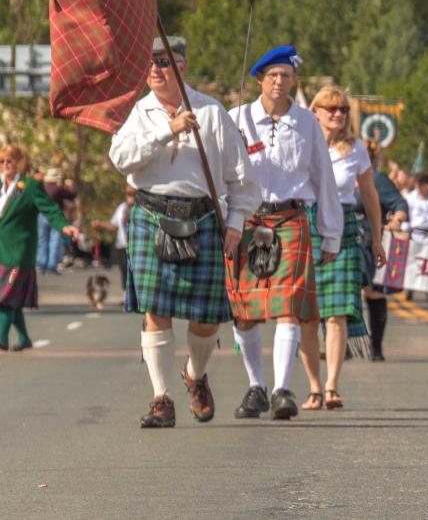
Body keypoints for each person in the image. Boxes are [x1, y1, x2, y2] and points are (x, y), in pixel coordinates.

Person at [109, 36, 259, 428]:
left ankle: (195, 375)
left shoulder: (211, 112)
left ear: (182, 66)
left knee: (206, 319)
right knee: (155, 312)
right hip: (151, 214)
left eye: (164, 62)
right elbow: (120, 158)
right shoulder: (137, 113)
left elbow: (242, 179)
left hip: (203, 218)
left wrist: (236, 222)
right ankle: (161, 399)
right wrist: (167, 131)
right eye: (150, 63)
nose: (156, 70)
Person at [228, 45, 340, 421]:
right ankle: (256, 386)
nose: (279, 82)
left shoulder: (308, 123)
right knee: (244, 309)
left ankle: (281, 390)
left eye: (286, 76)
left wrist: (331, 233)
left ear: (294, 80)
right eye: (272, 76)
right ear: (260, 79)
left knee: (289, 307)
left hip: (291, 218)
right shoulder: (236, 118)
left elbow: (324, 180)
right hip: (246, 221)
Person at [298, 85, 386, 408]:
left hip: (346, 227)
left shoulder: (357, 149)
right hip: (308, 225)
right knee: (307, 314)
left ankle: (332, 385)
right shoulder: (303, 144)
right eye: (331, 108)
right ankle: (313, 387)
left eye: (343, 109)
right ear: (315, 112)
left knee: (337, 314)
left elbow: (370, 196)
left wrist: (377, 237)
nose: (337, 114)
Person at [1, 145, 80, 350]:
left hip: (20, 252)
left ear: (19, 162)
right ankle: (25, 338)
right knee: (10, 297)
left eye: (9, 160)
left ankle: (0, 337)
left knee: (6, 296)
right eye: (1, 161)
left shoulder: (30, 186)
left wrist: (64, 227)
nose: (5, 165)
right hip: (2, 250)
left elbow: (51, 209)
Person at [360, 139, 407, 361]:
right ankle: (346, 345)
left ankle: (375, 346)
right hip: (341, 239)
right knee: (345, 295)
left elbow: (399, 203)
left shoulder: (377, 179)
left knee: (374, 293)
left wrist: (397, 218)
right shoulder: (337, 175)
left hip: (371, 240)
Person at [92, 188, 134, 291]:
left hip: (137, 245)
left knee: (135, 271)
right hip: (123, 244)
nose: (130, 198)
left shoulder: (141, 208)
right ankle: (125, 295)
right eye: (128, 195)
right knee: (124, 269)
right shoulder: (122, 208)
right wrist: (100, 224)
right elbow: (113, 225)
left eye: (132, 195)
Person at [38, 167, 75, 274]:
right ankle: (52, 265)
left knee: (43, 240)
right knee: (54, 240)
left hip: (42, 215)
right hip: (55, 216)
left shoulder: (42, 188)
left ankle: (42, 264)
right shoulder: (58, 188)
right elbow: (72, 195)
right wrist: (73, 186)